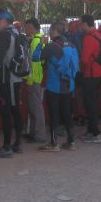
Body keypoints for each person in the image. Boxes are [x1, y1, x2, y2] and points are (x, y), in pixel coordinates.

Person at [0, 9, 26, 158]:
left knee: (6, 111)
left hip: (7, 78)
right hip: (17, 77)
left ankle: (6, 146)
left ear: (3, 20)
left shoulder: (5, 34)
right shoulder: (17, 32)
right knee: (15, 110)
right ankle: (17, 143)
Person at [40, 21, 78, 151]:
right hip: (68, 85)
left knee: (54, 115)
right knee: (67, 113)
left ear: (54, 30)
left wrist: (41, 45)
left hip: (54, 85)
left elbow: (35, 57)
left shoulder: (51, 46)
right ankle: (71, 142)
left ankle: (54, 143)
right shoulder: (72, 45)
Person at [78, 14, 101, 143]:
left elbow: (85, 59)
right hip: (98, 73)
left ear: (85, 24)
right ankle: (91, 130)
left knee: (89, 104)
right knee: (92, 103)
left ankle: (95, 133)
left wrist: (81, 68)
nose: (79, 27)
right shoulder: (98, 35)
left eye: (80, 24)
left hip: (90, 74)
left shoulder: (88, 38)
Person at [23, 18, 47, 144]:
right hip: (35, 78)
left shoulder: (36, 41)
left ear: (31, 27)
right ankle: (33, 133)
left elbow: (33, 63)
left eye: (26, 27)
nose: (25, 29)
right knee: (33, 107)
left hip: (34, 79)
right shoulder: (38, 39)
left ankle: (39, 135)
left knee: (36, 108)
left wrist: (30, 81)